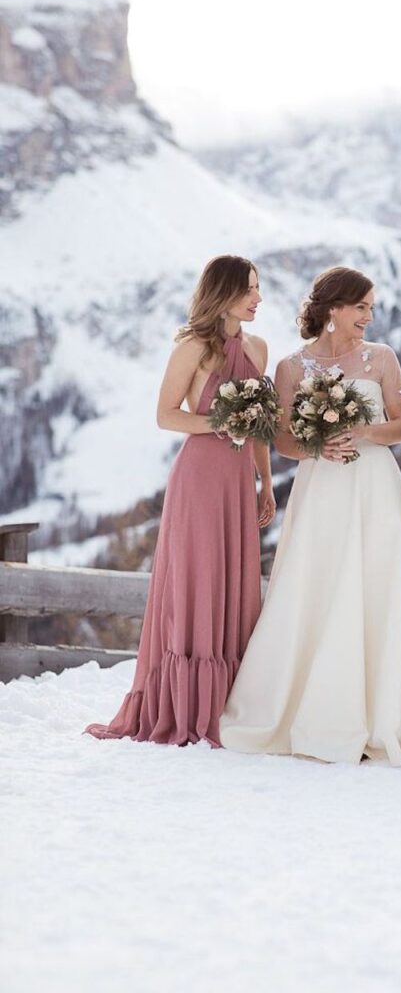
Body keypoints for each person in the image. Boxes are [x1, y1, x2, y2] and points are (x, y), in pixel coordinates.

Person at [220, 266, 401, 766]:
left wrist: (363, 432)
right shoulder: (290, 367)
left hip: (374, 487)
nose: (369, 316)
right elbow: (280, 441)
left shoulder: (382, 358)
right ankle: (305, 707)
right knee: (315, 582)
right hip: (320, 487)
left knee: (376, 583)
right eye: (362, 306)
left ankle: (380, 713)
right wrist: (318, 446)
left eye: (370, 307)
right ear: (333, 309)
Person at [85, 255, 275, 747]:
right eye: (249, 290)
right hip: (198, 478)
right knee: (197, 578)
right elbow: (166, 416)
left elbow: (260, 432)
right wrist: (221, 423)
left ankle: (230, 700)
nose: (258, 298)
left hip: (237, 482)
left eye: (258, 289)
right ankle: (185, 704)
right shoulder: (193, 346)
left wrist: (267, 483)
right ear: (224, 292)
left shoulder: (258, 347)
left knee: (235, 583)